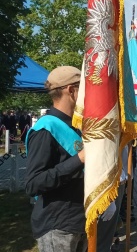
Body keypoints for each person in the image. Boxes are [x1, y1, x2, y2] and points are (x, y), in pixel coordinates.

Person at [24, 66, 87, 252]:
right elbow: (33, 184)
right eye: (82, 88)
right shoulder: (46, 129)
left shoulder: (74, 125)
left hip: (78, 219)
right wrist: (79, 159)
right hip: (58, 224)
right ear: (71, 90)